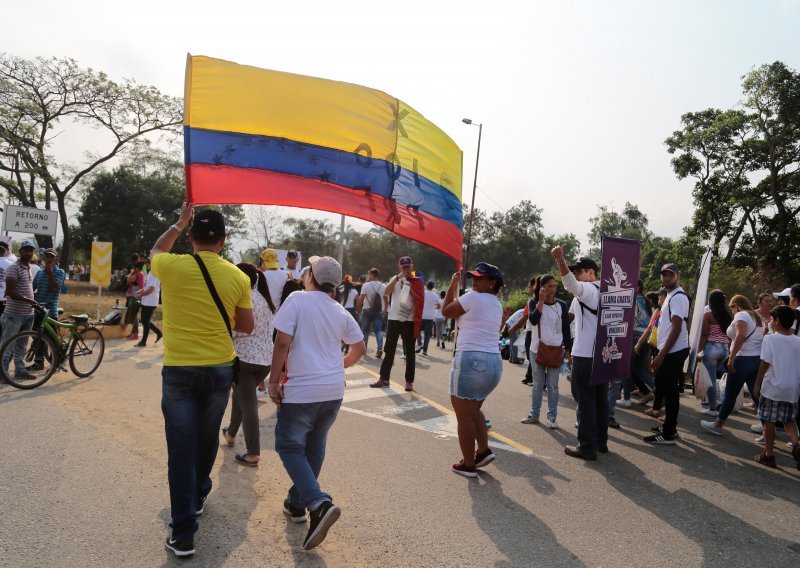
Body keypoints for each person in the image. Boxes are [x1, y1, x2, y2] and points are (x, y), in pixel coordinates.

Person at [151, 205, 254, 558]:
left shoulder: (171, 266)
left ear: (192, 238)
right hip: (218, 369)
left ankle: (183, 535)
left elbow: (156, 250)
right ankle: (197, 496)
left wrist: (178, 221)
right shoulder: (238, 277)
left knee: (180, 450)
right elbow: (246, 327)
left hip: (178, 369)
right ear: (223, 242)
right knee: (207, 435)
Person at [268, 255, 365, 550]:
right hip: (333, 391)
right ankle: (297, 504)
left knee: (288, 445)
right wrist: (337, 368)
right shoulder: (339, 310)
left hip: (303, 391)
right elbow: (359, 347)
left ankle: (318, 503)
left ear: (309, 276)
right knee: (314, 448)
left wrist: (273, 381)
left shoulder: (297, 299)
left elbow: (282, 342)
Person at [442, 263, 503, 477]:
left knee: (464, 416)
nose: (475, 282)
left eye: (480, 278)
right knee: (473, 410)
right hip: (493, 363)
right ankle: (483, 451)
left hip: (471, 360)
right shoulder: (496, 303)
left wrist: (452, 285)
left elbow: (446, 311)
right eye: (474, 278)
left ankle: (469, 464)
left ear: (492, 283)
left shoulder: (473, 297)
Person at [551, 249, 607, 460]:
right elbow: (572, 316)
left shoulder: (589, 289)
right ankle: (601, 442)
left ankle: (586, 446)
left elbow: (570, 284)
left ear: (591, 272)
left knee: (585, 400)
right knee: (600, 400)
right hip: (603, 353)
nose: (575, 275)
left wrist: (560, 259)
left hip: (586, 354)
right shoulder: (606, 289)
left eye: (578, 271)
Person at [222, 263, 276, 466]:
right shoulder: (265, 299)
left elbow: (237, 330)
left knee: (249, 405)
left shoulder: (242, 299)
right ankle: (231, 433)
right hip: (264, 361)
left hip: (243, 359)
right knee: (241, 397)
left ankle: (253, 453)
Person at [701, 294, 763, 437]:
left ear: (737, 305)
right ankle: (768, 426)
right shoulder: (757, 316)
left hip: (742, 359)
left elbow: (740, 335)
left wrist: (732, 358)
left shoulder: (741, 315)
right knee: (756, 394)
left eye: (731, 307)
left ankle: (718, 424)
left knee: (730, 394)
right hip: (756, 359)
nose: (731, 310)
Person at [643, 264, 690, 445]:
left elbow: (676, 328)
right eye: (664, 275)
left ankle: (669, 432)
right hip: (670, 350)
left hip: (674, 350)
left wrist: (662, 354)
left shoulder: (678, 297)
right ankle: (669, 426)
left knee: (669, 391)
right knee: (665, 388)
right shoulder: (670, 295)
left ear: (677, 276)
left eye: (670, 275)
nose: (666, 278)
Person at [750, 305, 800, 468]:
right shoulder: (798, 341)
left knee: (769, 420)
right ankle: (796, 445)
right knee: (789, 420)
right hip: (792, 387)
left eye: (772, 319)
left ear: (777, 321)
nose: (770, 322)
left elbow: (765, 363)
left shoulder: (770, 339)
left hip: (773, 386)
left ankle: (769, 455)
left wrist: (757, 383)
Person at [521, 274, 571, 429]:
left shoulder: (562, 305)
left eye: (554, 286)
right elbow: (534, 320)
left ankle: (552, 418)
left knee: (553, 385)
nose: (552, 289)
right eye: (549, 286)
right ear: (541, 288)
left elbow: (566, 329)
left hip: (556, 350)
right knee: (538, 384)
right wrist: (541, 301)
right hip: (537, 349)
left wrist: (568, 349)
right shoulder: (533, 302)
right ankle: (534, 415)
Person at [370, 256, 423, 392]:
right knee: (389, 350)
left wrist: (410, 289)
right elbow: (386, 292)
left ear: (412, 266)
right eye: (403, 266)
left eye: (408, 266)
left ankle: (409, 382)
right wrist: (398, 278)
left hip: (409, 320)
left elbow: (419, 299)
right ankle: (384, 379)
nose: (406, 268)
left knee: (410, 352)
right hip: (394, 319)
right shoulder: (396, 279)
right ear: (399, 267)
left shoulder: (416, 281)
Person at [0, 240, 38, 380]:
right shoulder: (13, 267)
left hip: (28, 314)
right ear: (20, 251)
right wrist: (28, 300)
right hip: (14, 314)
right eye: (25, 250)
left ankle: (20, 370)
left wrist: (31, 302)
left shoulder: (28, 268)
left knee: (22, 345)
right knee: (7, 345)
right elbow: (9, 291)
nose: (28, 253)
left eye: (31, 251)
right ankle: (2, 373)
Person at [695, 289, 732, 415]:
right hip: (724, 349)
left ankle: (712, 408)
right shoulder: (728, 316)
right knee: (717, 377)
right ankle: (717, 402)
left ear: (710, 301)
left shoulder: (708, 315)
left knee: (710, 379)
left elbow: (704, 335)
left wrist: (699, 351)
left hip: (711, 349)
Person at [31, 248, 66, 364]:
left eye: (51, 256)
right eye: (47, 256)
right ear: (44, 257)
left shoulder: (60, 272)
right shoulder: (40, 272)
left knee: (52, 339)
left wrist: (50, 272)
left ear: (55, 258)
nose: (49, 258)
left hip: (50, 311)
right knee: (38, 337)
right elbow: (32, 287)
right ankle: (39, 362)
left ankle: (57, 362)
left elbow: (54, 288)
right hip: (39, 310)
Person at [357, 268, 386, 358]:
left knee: (365, 330)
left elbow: (361, 300)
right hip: (378, 311)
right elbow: (386, 300)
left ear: (372, 275)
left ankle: (364, 349)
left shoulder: (366, 285)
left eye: (369, 274)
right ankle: (380, 349)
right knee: (378, 331)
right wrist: (384, 311)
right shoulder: (383, 286)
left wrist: (358, 309)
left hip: (367, 310)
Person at [134, 259, 163, 347]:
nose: (147, 266)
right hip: (146, 300)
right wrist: (140, 291)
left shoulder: (155, 274)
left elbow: (151, 289)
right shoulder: (150, 273)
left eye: (148, 264)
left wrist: (141, 295)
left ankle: (143, 341)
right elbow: (146, 287)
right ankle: (158, 333)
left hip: (151, 301)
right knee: (144, 320)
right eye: (146, 265)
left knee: (145, 321)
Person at [415, 280, 438, 356]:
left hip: (422, 316)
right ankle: (425, 351)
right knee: (427, 334)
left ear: (426, 285)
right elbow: (439, 306)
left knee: (418, 331)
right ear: (433, 287)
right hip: (430, 317)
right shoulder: (435, 295)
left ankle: (419, 343)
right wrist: (433, 306)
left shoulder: (423, 293)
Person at [125, 261, 145, 340]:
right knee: (133, 315)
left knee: (134, 315)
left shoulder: (139, 274)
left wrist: (131, 273)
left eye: (133, 267)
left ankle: (135, 333)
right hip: (134, 295)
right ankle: (133, 333)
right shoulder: (139, 274)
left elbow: (129, 280)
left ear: (137, 268)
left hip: (135, 296)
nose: (132, 269)